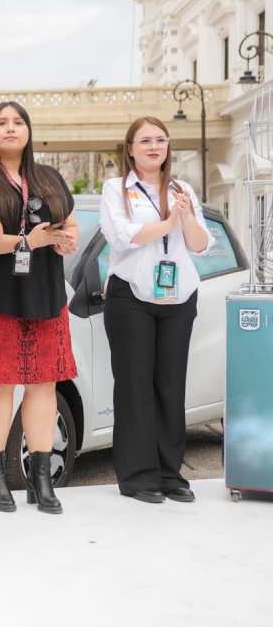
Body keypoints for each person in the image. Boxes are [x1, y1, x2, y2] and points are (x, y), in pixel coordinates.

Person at [0, 102, 79, 515]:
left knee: (44, 386)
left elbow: (70, 223)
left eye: (18, 122)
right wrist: (31, 241)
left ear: (29, 131)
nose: (10, 128)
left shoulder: (49, 177)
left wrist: (67, 239)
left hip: (47, 293)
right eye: (1, 123)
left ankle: (40, 479)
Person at [100, 116, 213, 504]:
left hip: (178, 297)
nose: (154, 146)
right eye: (145, 140)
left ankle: (169, 474)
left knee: (170, 385)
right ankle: (138, 476)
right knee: (134, 386)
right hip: (131, 296)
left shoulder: (183, 189)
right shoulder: (116, 189)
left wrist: (186, 216)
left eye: (160, 140)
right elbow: (122, 237)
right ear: (130, 149)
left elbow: (200, 245)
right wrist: (168, 223)